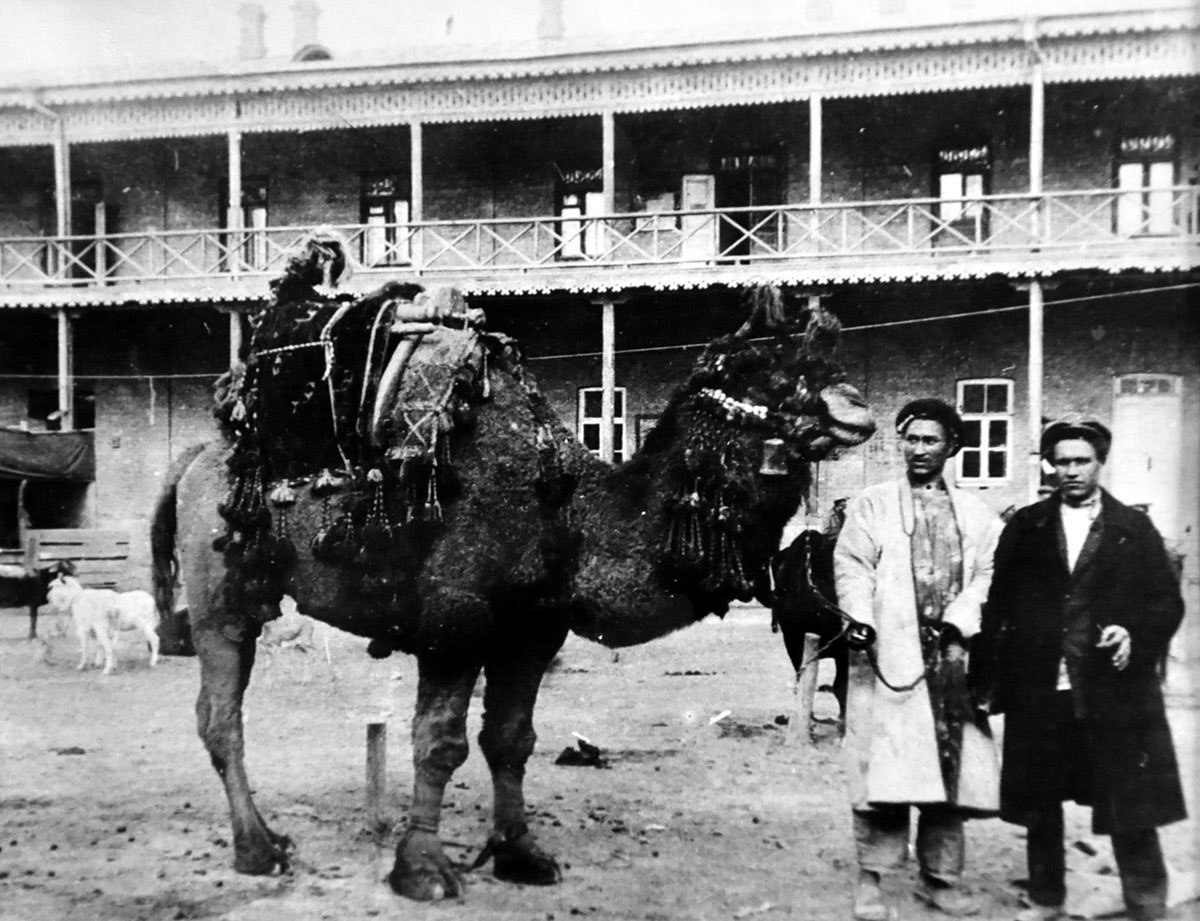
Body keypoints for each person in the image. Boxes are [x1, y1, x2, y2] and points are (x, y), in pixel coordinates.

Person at [972, 416, 1186, 921]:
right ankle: (1047, 898)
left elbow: (1165, 602)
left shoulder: (1131, 529)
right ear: (1050, 465)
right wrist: (991, 678)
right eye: (1062, 461)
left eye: (1081, 461)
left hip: (1114, 688)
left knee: (1129, 795)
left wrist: (1132, 630)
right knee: (1042, 800)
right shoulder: (1027, 526)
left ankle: (1147, 900)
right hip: (1042, 685)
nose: (1071, 471)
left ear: (1099, 463)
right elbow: (998, 604)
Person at [835, 398, 1003, 920]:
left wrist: (961, 616)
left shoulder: (978, 514)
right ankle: (871, 881)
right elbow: (852, 565)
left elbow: (989, 576)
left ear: (952, 446)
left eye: (932, 440)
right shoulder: (873, 504)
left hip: (952, 661)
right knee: (880, 774)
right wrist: (860, 617)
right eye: (912, 439)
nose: (920, 449)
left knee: (947, 778)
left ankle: (941, 879)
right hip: (889, 656)